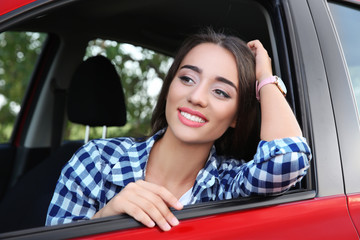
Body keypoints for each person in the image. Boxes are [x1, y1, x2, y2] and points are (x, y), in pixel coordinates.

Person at [46, 29, 312, 231]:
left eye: (220, 92)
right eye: (187, 78)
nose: (197, 97)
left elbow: (289, 157)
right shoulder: (97, 161)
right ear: (170, 87)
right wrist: (104, 219)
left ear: (236, 118)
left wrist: (265, 77)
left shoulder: (229, 185)